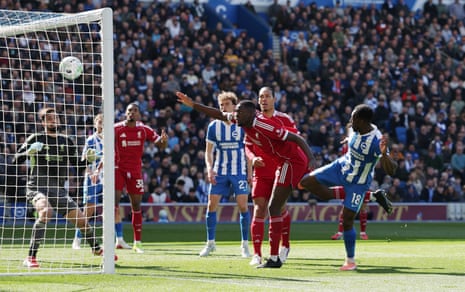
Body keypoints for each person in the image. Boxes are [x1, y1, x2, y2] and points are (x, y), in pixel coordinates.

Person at [176, 91, 317, 268]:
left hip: (292, 161)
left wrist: (311, 158)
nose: (234, 115)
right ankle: (269, 256)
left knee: (274, 206)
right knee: (270, 207)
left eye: (238, 112)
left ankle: (276, 256)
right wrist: (193, 105)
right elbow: (219, 114)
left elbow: (296, 137)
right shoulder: (242, 120)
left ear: (249, 114)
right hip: (280, 163)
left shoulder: (265, 125)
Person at [299, 104, 397, 271]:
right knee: (305, 182)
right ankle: (370, 196)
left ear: (363, 121)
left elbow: (392, 169)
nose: (350, 122)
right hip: (340, 167)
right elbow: (351, 131)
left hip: (358, 183)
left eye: (354, 119)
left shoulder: (376, 141)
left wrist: (384, 154)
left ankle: (350, 261)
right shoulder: (355, 129)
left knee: (347, 220)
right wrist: (349, 140)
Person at [14, 107, 109, 268]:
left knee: (82, 221)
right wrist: (28, 152)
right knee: (45, 212)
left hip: (58, 190)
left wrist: (88, 160)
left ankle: (96, 248)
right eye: (49, 118)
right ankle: (30, 257)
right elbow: (15, 160)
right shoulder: (35, 138)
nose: (53, 120)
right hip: (37, 186)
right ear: (42, 122)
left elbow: (78, 168)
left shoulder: (67, 141)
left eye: (55, 117)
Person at [246, 87, 296, 266]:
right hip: (260, 172)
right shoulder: (252, 120)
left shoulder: (284, 119)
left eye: (267, 96)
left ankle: (285, 246)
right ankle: (257, 254)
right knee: (259, 209)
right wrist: (253, 158)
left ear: (275, 99)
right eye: (261, 97)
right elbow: (247, 146)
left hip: (280, 170)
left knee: (279, 208)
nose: (264, 99)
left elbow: (294, 140)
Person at [198, 91, 251, 258]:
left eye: (227, 104)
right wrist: (209, 168)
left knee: (243, 206)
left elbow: (249, 150)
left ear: (235, 106)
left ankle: (244, 245)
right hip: (219, 171)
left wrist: (250, 173)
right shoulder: (214, 126)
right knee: (211, 205)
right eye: (221, 105)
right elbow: (208, 152)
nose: (223, 107)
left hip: (239, 171)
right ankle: (210, 243)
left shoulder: (242, 125)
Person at [71, 114, 132, 250]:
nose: (102, 124)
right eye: (99, 121)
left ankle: (120, 240)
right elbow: (84, 160)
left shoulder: (111, 140)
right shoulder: (91, 140)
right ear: (95, 124)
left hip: (108, 178)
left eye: (104, 122)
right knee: (89, 210)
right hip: (92, 178)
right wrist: (91, 173)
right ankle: (77, 240)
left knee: (113, 208)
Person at [114, 103, 168, 253]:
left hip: (135, 170)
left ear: (139, 114)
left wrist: (164, 141)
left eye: (135, 110)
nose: (132, 113)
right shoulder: (116, 129)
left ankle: (138, 242)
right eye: (129, 110)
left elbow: (161, 145)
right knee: (114, 204)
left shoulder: (144, 129)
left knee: (136, 206)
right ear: (125, 113)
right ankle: (117, 239)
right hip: (117, 168)